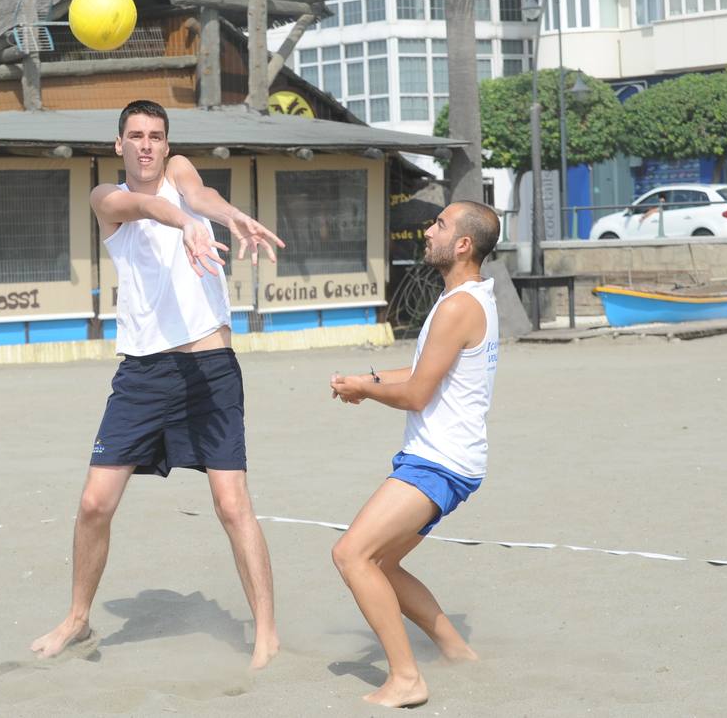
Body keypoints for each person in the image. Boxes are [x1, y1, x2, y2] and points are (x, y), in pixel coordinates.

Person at [30, 100, 285, 669]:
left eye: (156, 136)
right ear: (119, 143)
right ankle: (77, 618)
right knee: (95, 503)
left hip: (210, 367)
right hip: (143, 372)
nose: (147, 144)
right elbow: (143, 206)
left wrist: (224, 216)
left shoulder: (181, 172)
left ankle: (266, 631)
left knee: (231, 503)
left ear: (167, 144)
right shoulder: (106, 199)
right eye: (136, 136)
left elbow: (202, 197)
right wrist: (186, 225)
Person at [328, 201, 501, 708]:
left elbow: (418, 395)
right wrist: (367, 381)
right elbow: (424, 371)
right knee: (381, 562)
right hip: (446, 459)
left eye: (440, 225)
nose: (429, 231)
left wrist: (373, 390)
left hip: (439, 462)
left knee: (351, 555)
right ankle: (454, 649)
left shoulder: (458, 306)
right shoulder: (468, 299)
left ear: (464, 245)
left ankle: (406, 679)